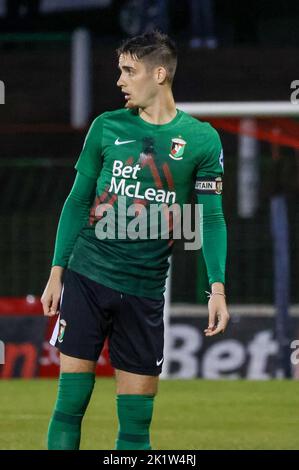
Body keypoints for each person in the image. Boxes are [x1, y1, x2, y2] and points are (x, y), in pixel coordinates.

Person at [41, 30, 229, 451]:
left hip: (144, 291)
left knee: (136, 425)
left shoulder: (201, 139)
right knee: (70, 404)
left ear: (159, 74)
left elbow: (211, 219)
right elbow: (77, 202)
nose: (120, 81)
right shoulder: (106, 127)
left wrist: (216, 287)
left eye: (130, 70)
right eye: (120, 70)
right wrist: (57, 271)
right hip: (87, 277)